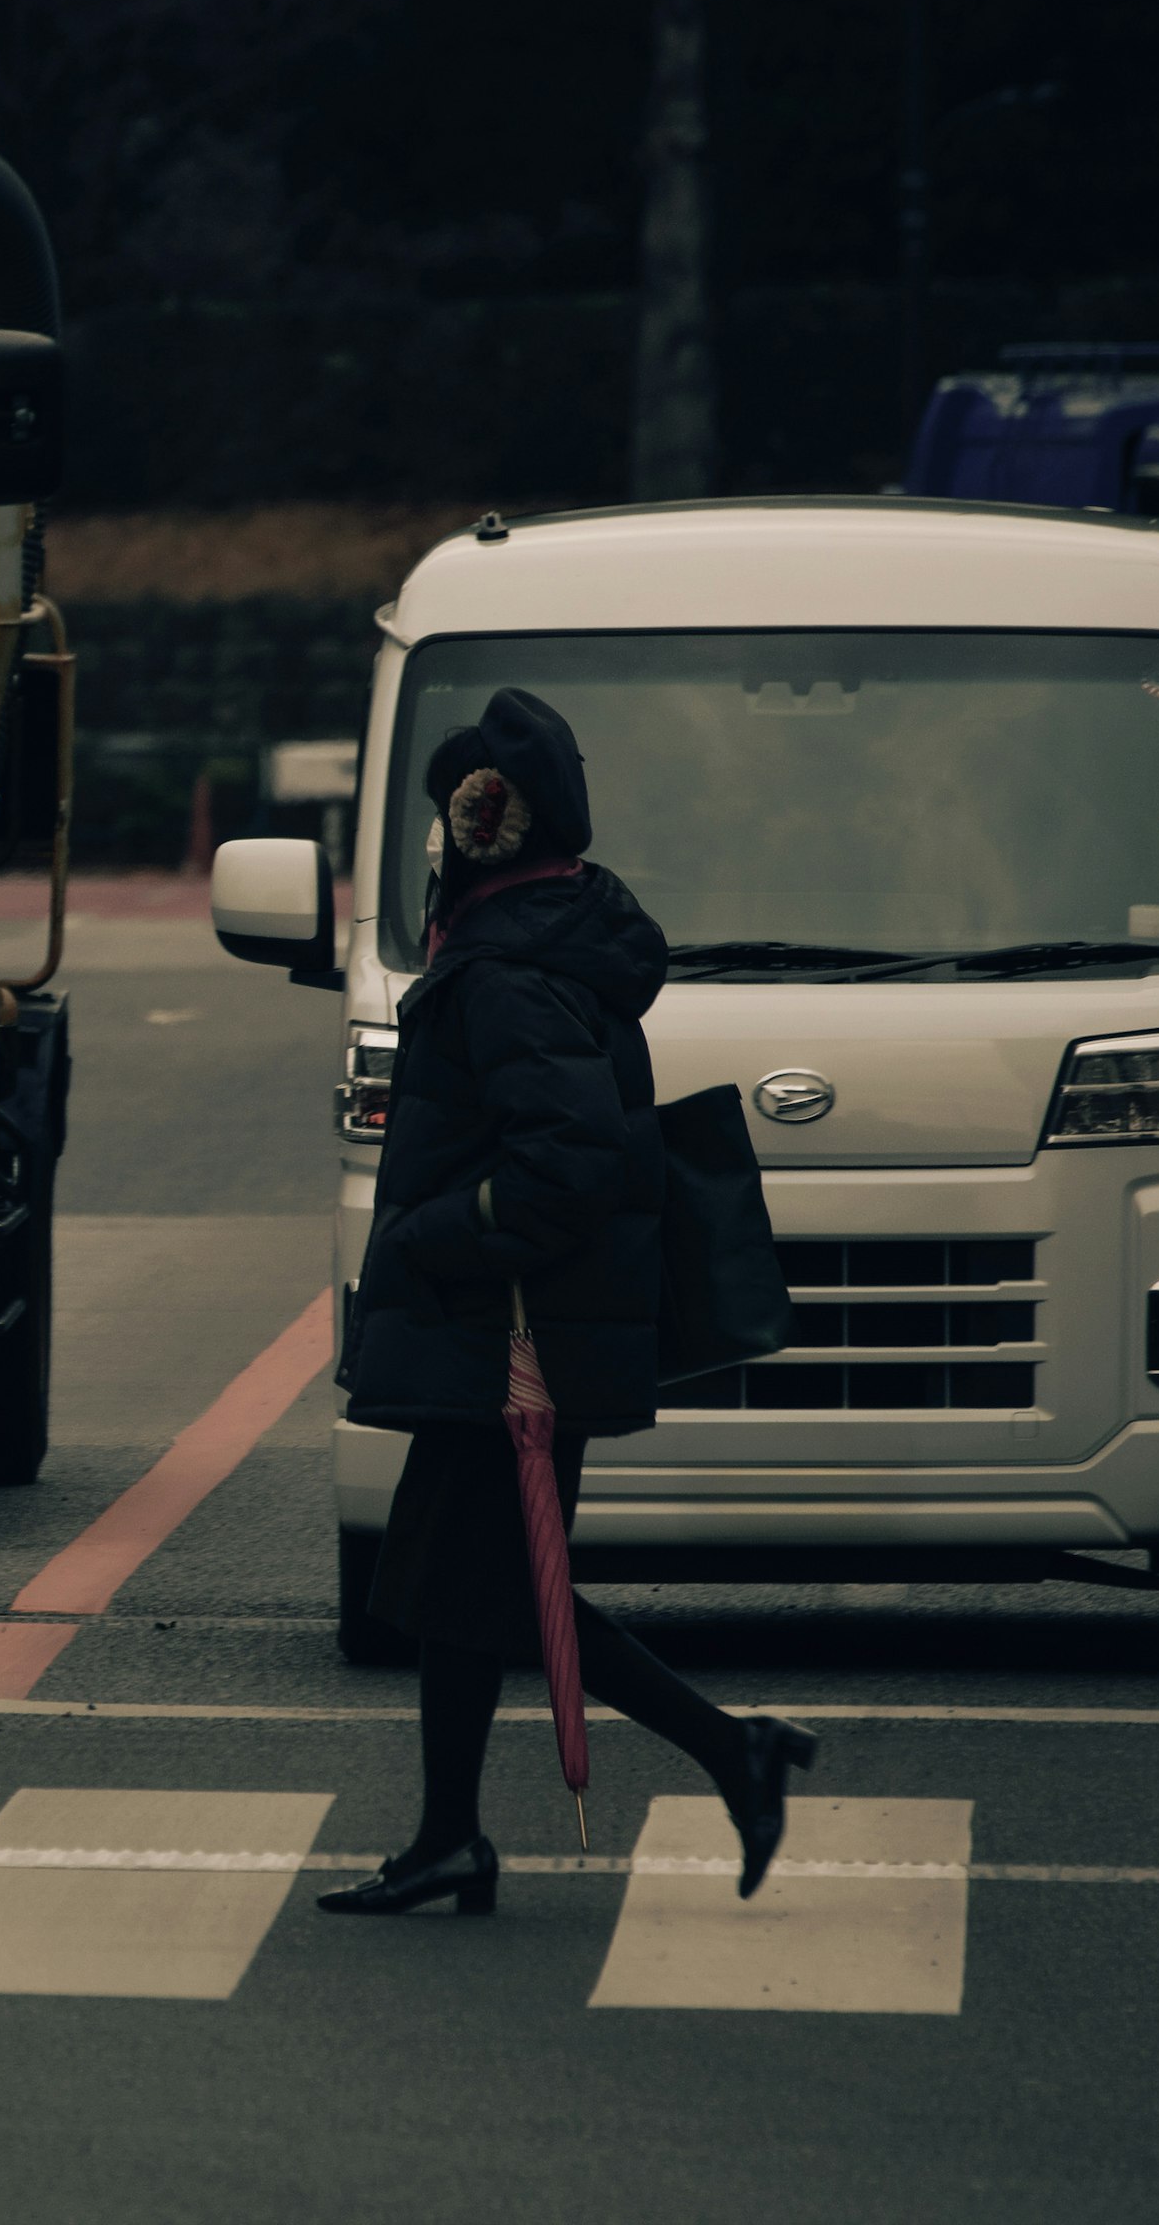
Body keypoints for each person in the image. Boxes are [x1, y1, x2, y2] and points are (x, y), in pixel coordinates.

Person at [318, 686, 818, 1916]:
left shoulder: (507, 973)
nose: (436, 847)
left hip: (514, 1338)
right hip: (509, 1335)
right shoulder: (535, 942)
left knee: (487, 1586)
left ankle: (728, 1748)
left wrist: (433, 1236)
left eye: (450, 821)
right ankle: (449, 1835)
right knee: (454, 1584)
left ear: (486, 829)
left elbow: (567, 1167)